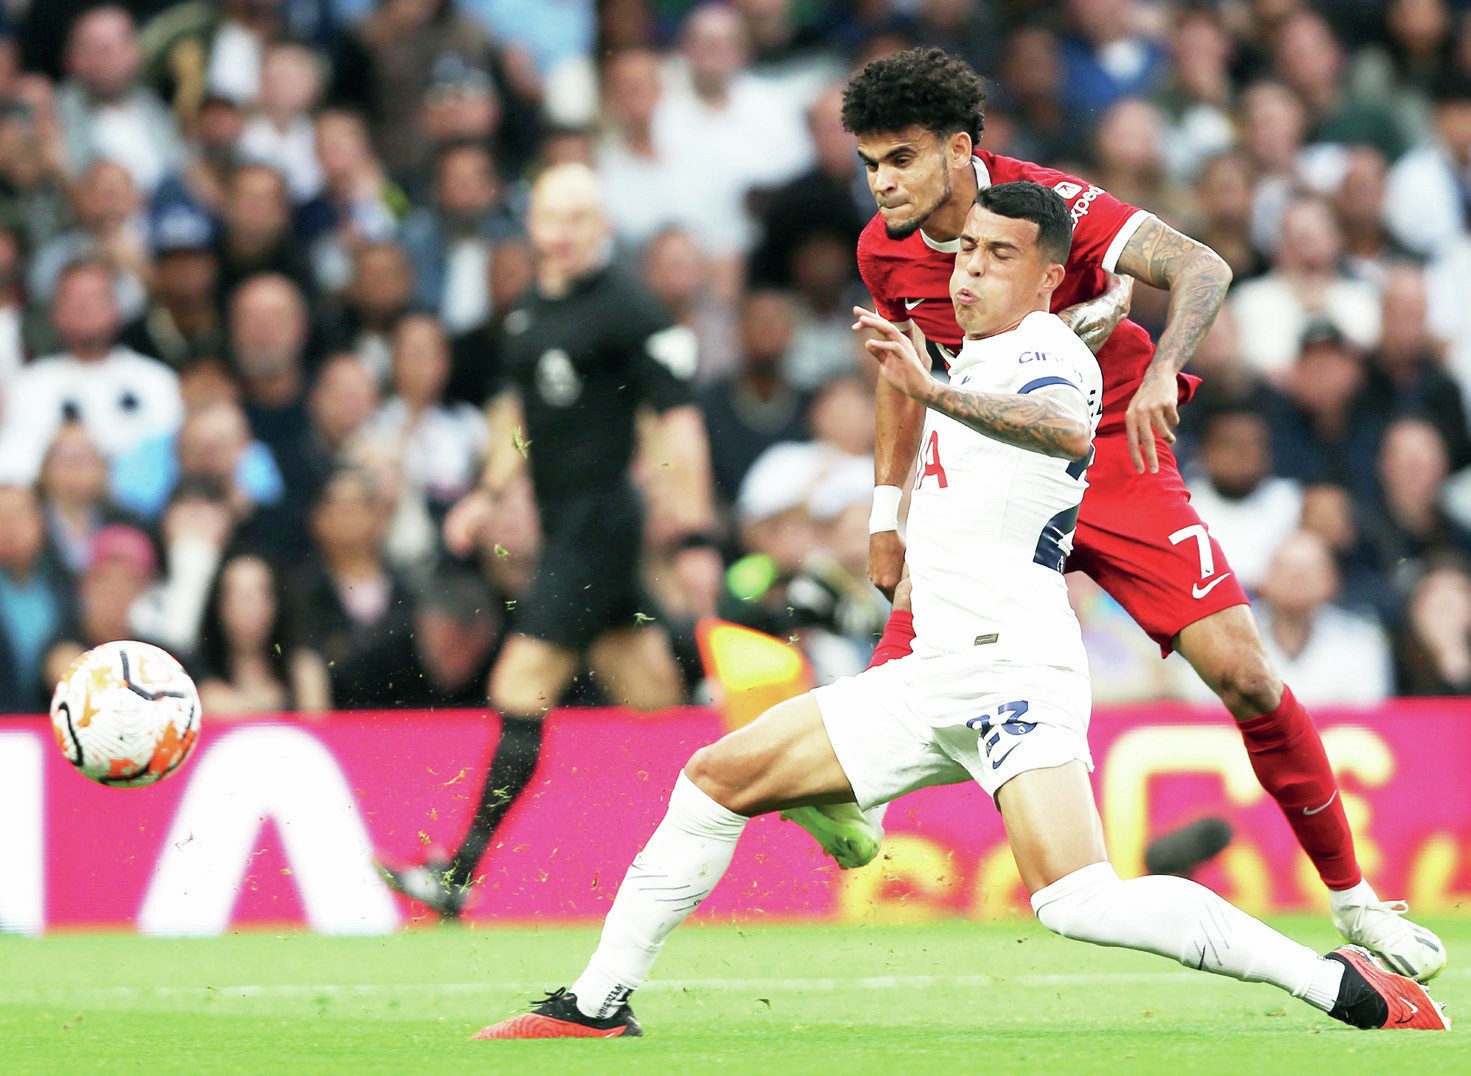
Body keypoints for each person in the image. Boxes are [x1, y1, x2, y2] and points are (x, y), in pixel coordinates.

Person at [474, 182, 1448, 1039]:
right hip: (926, 671)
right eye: (966, 250)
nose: (968, 269)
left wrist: (932, 385)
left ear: (1046, 277)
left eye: (996, 256)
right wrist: (891, 498)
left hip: (1011, 672)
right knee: (712, 777)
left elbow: (1066, 426)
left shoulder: (1045, 357)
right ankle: (595, 1001)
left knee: (1076, 900)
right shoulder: (970, 352)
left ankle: (1339, 985)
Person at [793, 47, 1445, 983]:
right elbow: (906, 378)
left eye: (899, 157)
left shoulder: (1047, 207)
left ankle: (1355, 903)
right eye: (870, 163)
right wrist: (885, 512)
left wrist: (1152, 377)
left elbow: (1200, 266)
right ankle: (851, 804)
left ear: (957, 149)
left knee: (1248, 678)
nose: (881, 180)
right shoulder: (880, 251)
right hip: (997, 459)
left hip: (1112, 452)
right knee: (912, 660)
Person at [378, 162, 721, 917]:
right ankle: (786, 744)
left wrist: (693, 532)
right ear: (531, 224)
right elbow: (520, 422)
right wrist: (487, 494)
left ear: (600, 227)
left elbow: (678, 420)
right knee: (656, 694)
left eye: (576, 220)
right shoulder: (530, 310)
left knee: (516, 685)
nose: (561, 234)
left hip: (599, 529)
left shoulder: (629, 310)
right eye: (549, 218)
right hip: (566, 526)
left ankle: (456, 878)